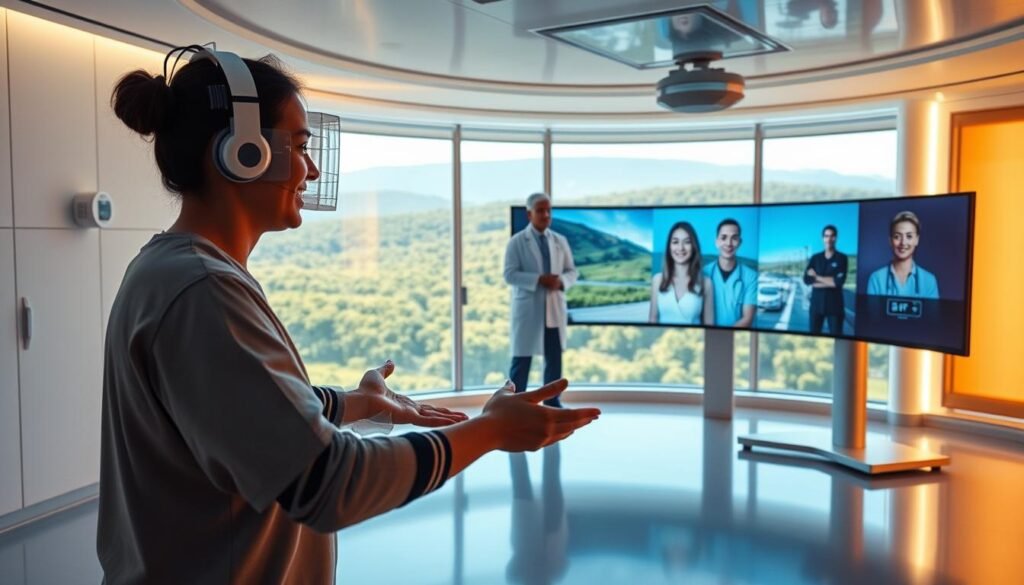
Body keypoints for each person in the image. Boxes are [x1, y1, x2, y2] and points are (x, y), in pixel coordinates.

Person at [98, 46, 600, 585]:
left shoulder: (177, 271)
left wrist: (355, 404)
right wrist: (489, 430)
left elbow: (231, 413)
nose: (310, 169)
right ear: (242, 153)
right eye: (297, 145)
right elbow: (327, 484)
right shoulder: (203, 290)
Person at [504, 192, 578, 408]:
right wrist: (539, 280)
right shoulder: (517, 242)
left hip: (553, 309)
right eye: (540, 211)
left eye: (549, 210)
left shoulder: (559, 241)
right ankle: (515, 407)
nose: (546, 215)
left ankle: (553, 404)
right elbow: (510, 274)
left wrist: (561, 281)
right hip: (529, 311)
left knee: (554, 361)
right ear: (529, 215)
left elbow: (572, 272)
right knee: (521, 362)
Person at [650, 221, 715, 325]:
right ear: (669, 247)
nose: (681, 248)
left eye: (687, 242)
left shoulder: (706, 283)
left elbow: (709, 326)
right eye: (675, 242)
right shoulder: (657, 280)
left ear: (693, 246)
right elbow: (652, 320)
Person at [866, 210, 939, 299]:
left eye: (909, 236)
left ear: (917, 240)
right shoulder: (876, 279)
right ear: (890, 240)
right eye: (897, 236)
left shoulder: (929, 281)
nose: (903, 242)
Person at [702, 218, 758, 327]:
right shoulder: (703, 273)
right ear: (717, 242)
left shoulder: (751, 277)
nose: (729, 243)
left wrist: (722, 334)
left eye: (734, 238)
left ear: (740, 242)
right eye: (723, 238)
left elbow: (747, 319)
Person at [804, 224, 848, 335]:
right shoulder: (815, 258)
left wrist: (817, 278)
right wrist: (829, 281)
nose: (829, 239)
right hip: (816, 307)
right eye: (826, 236)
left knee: (838, 338)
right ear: (823, 238)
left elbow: (838, 283)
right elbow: (807, 280)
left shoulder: (842, 258)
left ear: (836, 238)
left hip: (835, 308)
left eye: (832, 236)